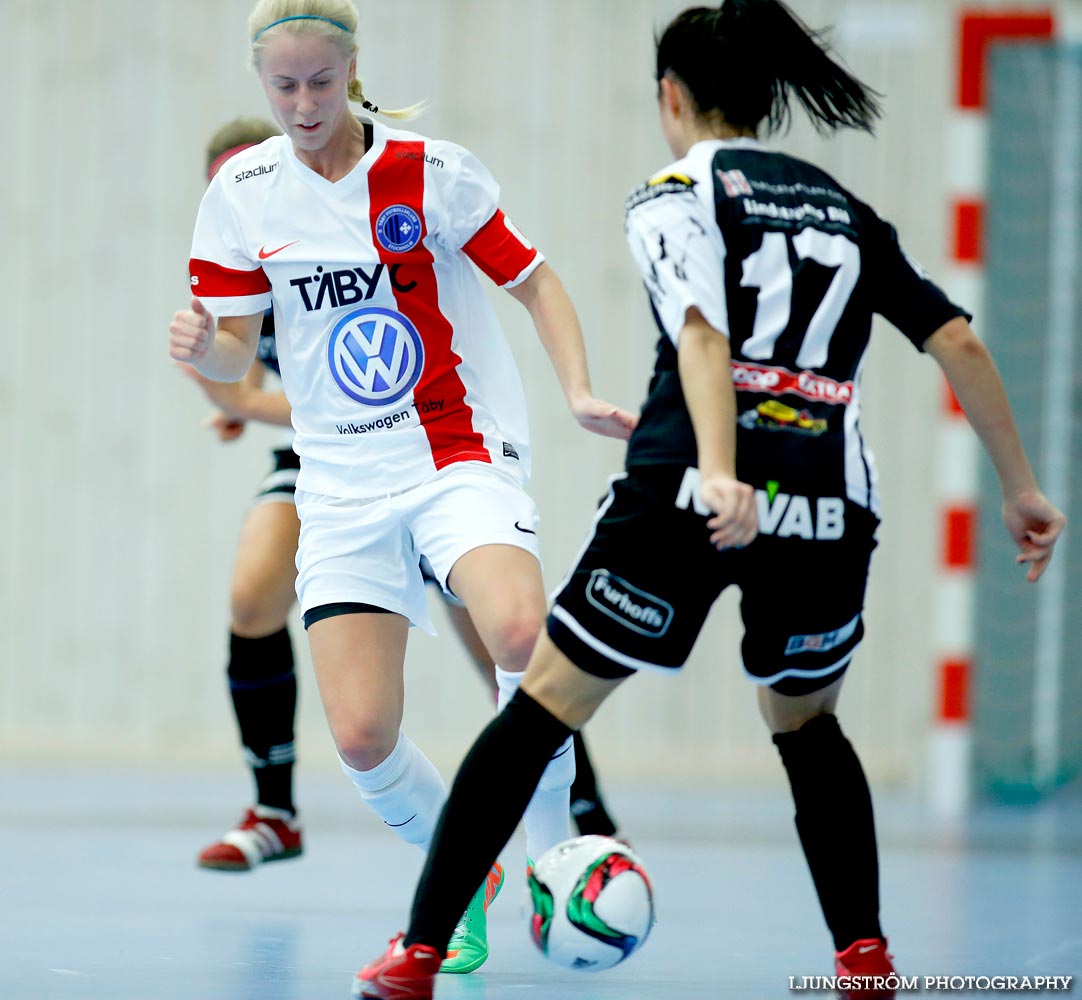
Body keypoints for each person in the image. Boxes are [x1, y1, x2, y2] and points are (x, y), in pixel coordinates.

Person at [355, 2, 1068, 998]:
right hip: (826, 502)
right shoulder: (837, 204)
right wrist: (1020, 486)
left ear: (671, 97)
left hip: (688, 491)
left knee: (538, 710)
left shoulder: (671, 191)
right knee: (807, 725)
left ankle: (418, 952)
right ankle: (862, 958)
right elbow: (956, 340)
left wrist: (726, 471)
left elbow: (699, 332)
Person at [168, 0, 636, 977]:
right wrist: (200, 352)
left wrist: (579, 389)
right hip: (338, 487)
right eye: (282, 86)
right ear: (262, 84)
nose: (302, 104)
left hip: (451, 453)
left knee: (516, 633)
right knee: (361, 736)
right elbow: (231, 356)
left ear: (351, 70)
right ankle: (459, 876)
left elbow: (536, 280)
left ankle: (555, 845)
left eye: (319, 83)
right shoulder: (243, 192)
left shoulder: (431, 171)